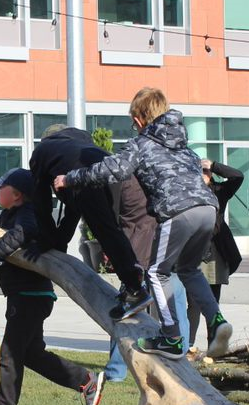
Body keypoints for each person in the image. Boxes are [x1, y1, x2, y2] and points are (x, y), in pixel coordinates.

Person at [55, 87, 232, 359]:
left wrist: (71, 178)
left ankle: (172, 338)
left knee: (156, 273)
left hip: (177, 211)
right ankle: (217, 321)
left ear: (138, 119)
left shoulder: (142, 144)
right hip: (208, 209)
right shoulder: (184, 147)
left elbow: (113, 170)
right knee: (189, 270)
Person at [0, 168, 105, 405]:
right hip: (21, 296)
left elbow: (23, 234)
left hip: (31, 296)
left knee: (10, 353)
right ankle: (86, 380)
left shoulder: (28, 215)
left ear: (17, 194)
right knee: (30, 354)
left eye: (2, 187)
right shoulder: (3, 219)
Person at [29, 124, 152, 321]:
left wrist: (46, 241)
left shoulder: (42, 150)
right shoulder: (81, 145)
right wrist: (59, 242)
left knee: (105, 230)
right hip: (109, 170)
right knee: (111, 230)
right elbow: (73, 209)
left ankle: (134, 290)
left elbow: (40, 202)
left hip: (83, 176)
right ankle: (133, 280)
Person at [104, 176, 188, 380]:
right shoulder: (165, 175)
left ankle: (116, 370)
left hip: (135, 249)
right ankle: (181, 359)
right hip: (165, 247)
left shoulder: (122, 178)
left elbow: (111, 216)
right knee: (175, 304)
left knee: (127, 310)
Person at [188, 159, 243, 348]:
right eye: (201, 170)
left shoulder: (219, 191)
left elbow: (237, 176)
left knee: (212, 301)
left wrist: (214, 165)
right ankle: (188, 345)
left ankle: (214, 344)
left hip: (214, 253)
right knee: (193, 303)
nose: (204, 174)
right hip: (193, 251)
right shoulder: (186, 191)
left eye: (206, 171)